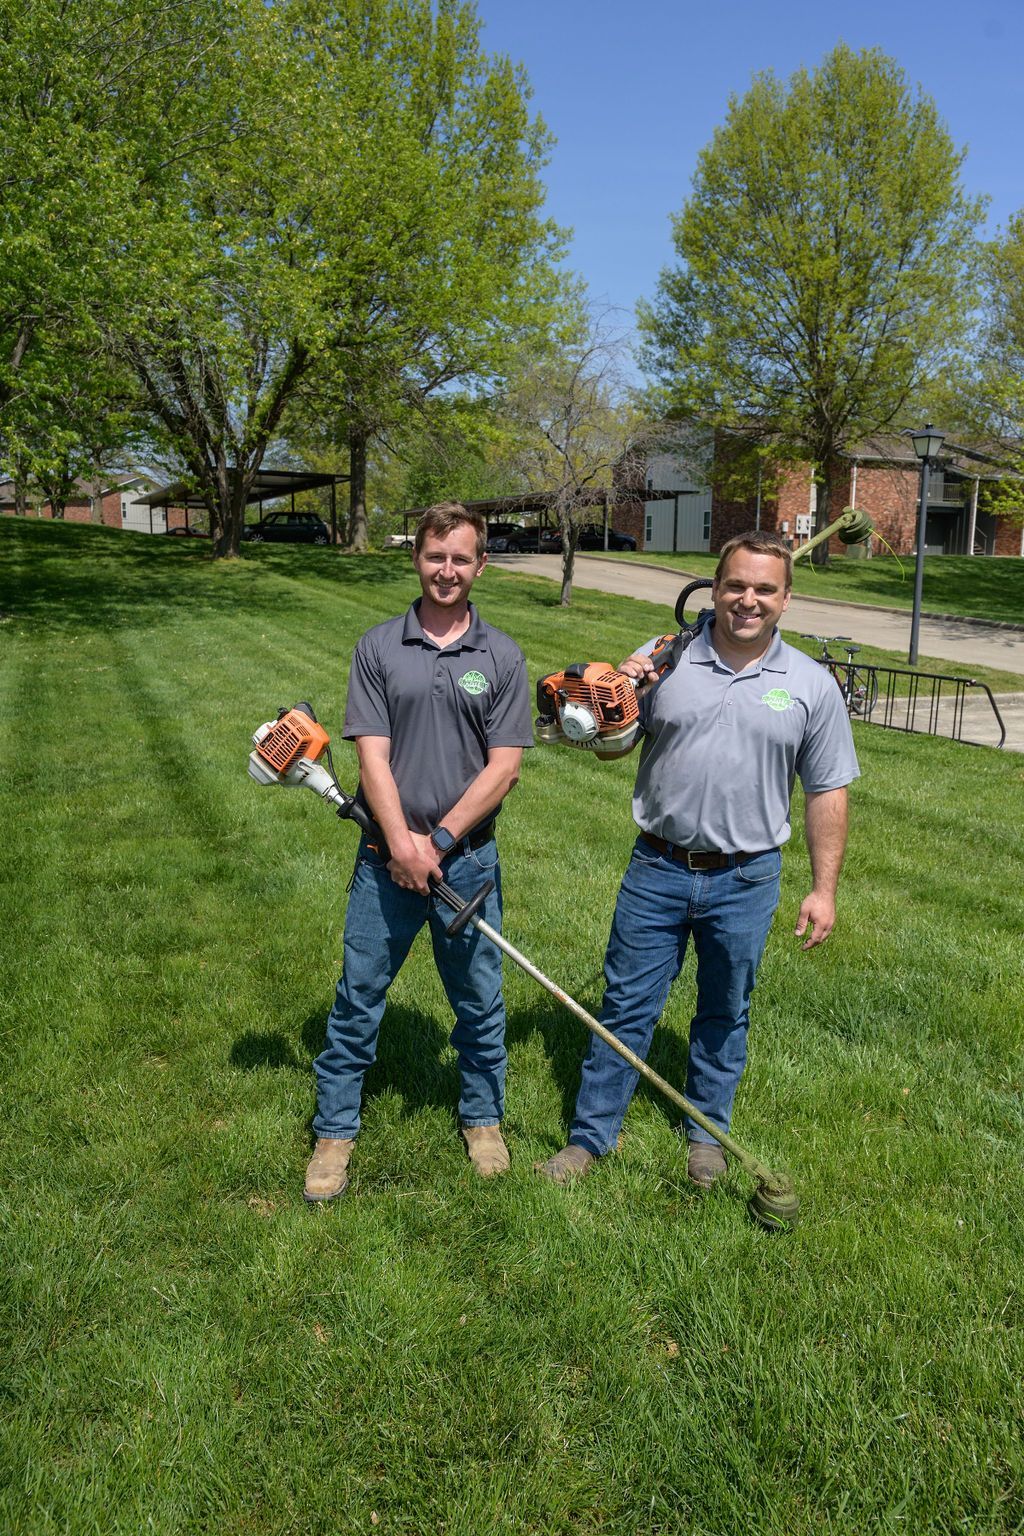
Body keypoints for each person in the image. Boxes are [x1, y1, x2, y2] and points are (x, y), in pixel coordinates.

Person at [536, 530, 859, 1189]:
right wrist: (612, 710)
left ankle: (706, 1136)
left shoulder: (809, 685)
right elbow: (613, 751)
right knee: (626, 1003)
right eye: (736, 585)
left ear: (787, 599)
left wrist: (823, 889)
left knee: (724, 1008)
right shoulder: (665, 659)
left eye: (765, 589)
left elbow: (828, 788)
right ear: (714, 589)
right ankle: (590, 1138)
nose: (748, 599)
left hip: (747, 876)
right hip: (657, 867)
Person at [305, 503, 533, 1201]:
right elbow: (372, 755)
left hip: (466, 862)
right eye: (436, 557)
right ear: (417, 558)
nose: (447, 570)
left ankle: (483, 1119)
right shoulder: (378, 648)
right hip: (384, 861)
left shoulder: (501, 656)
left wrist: (434, 843)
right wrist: (400, 841)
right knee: (358, 999)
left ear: (481, 565)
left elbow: (505, 768)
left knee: (479, 1000)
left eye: (461, 559)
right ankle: (334, 1131)